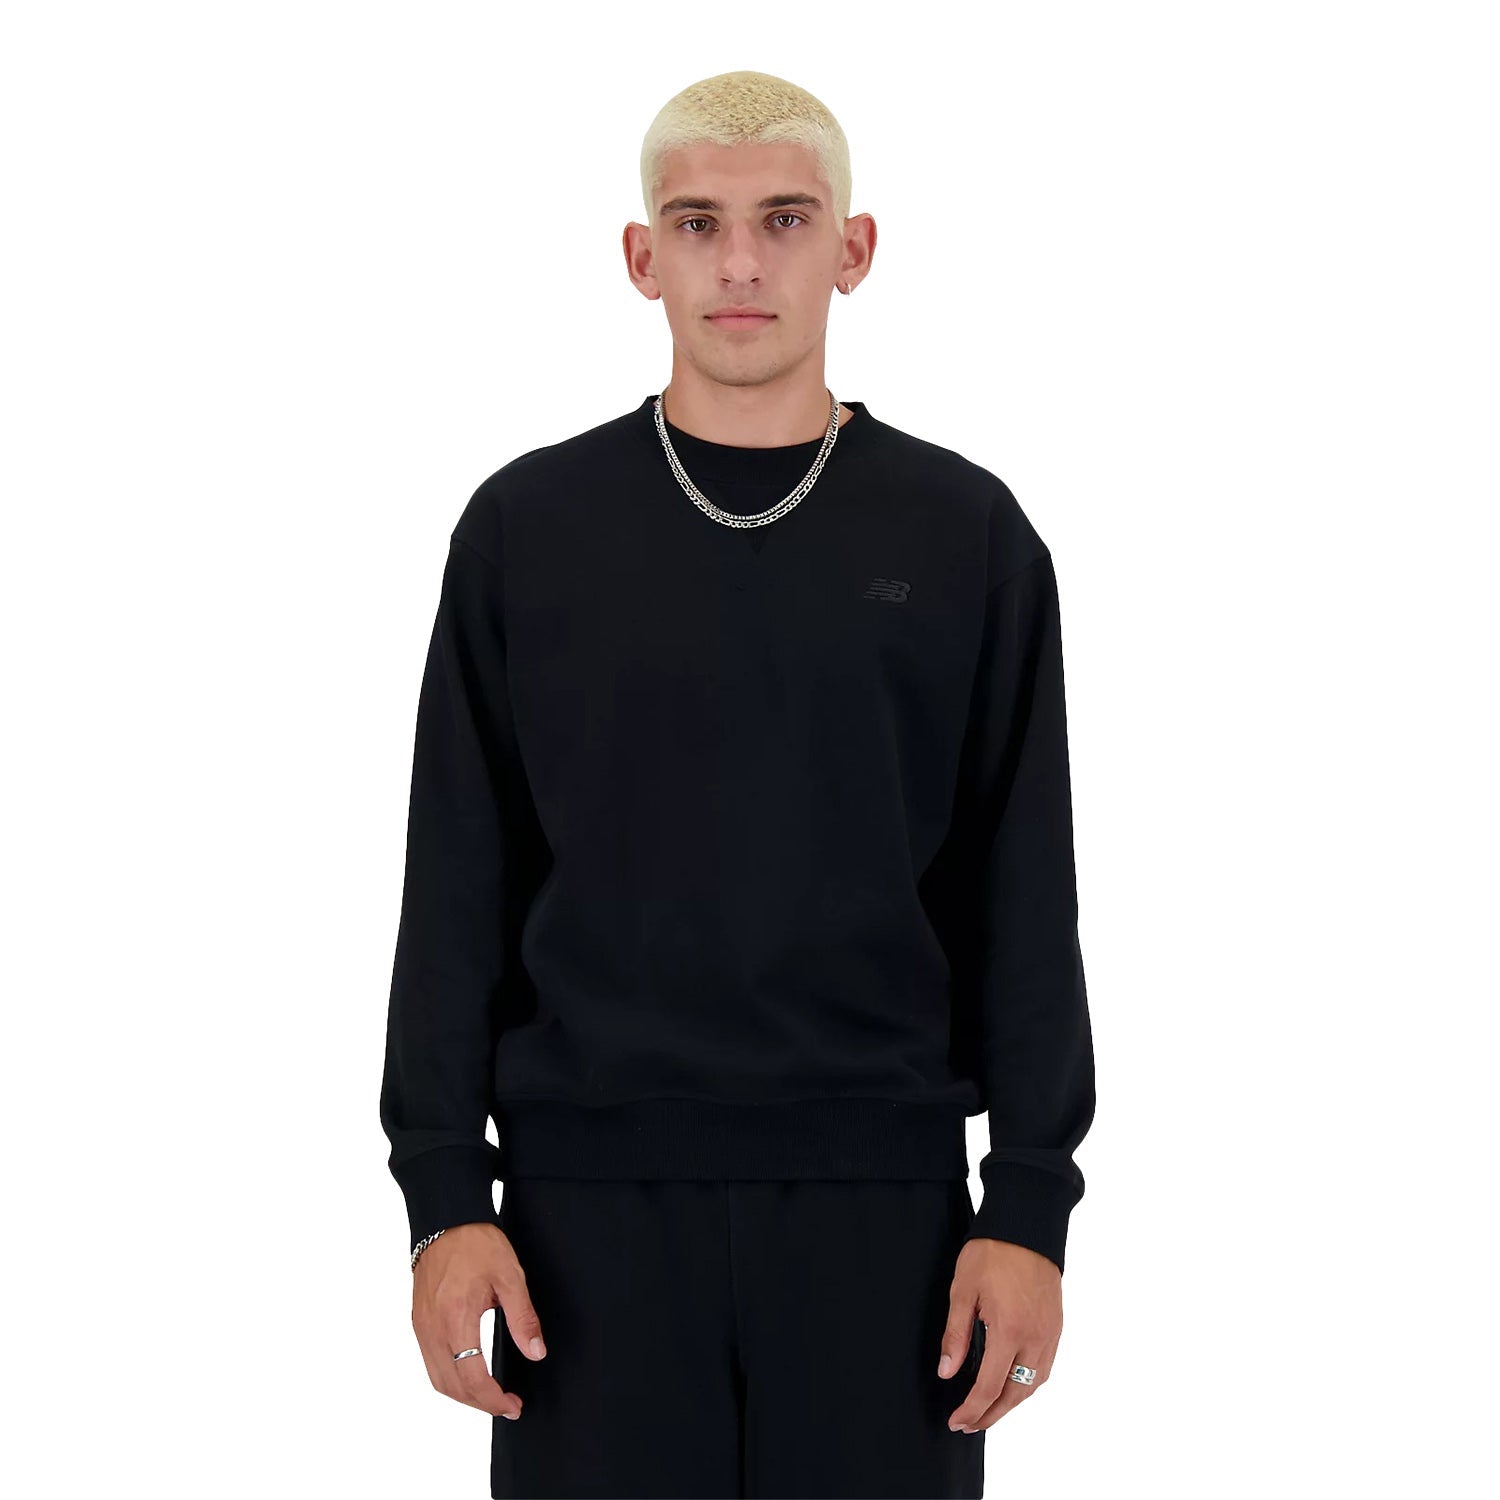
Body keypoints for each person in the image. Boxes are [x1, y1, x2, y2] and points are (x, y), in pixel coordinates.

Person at [379, 68, 1096, 1500]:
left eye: (785, 218)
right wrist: (445, 1196)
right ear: (642, 256)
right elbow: (457, 884)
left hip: (886, 1221)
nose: (743, 264)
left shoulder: (964, 535)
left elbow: (1022, 893)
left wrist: (1028, 1204)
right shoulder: (529, 530)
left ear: (855, 248)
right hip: (581, 1227)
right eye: (699, 223)